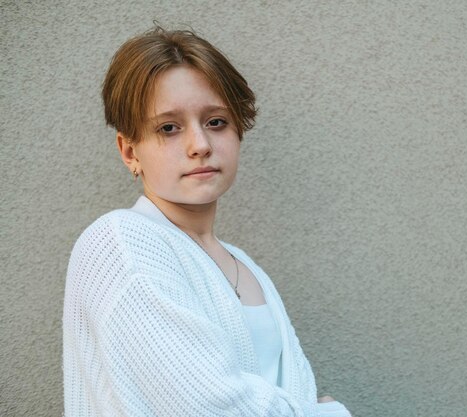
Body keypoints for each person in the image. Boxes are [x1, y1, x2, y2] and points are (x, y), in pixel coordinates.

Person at [63, 26, 351, 417]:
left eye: (216, 121)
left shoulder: (245, 266)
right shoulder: (118, 243)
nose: (200, 144)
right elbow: (205, 404)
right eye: (169, 127)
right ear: (129, 151)